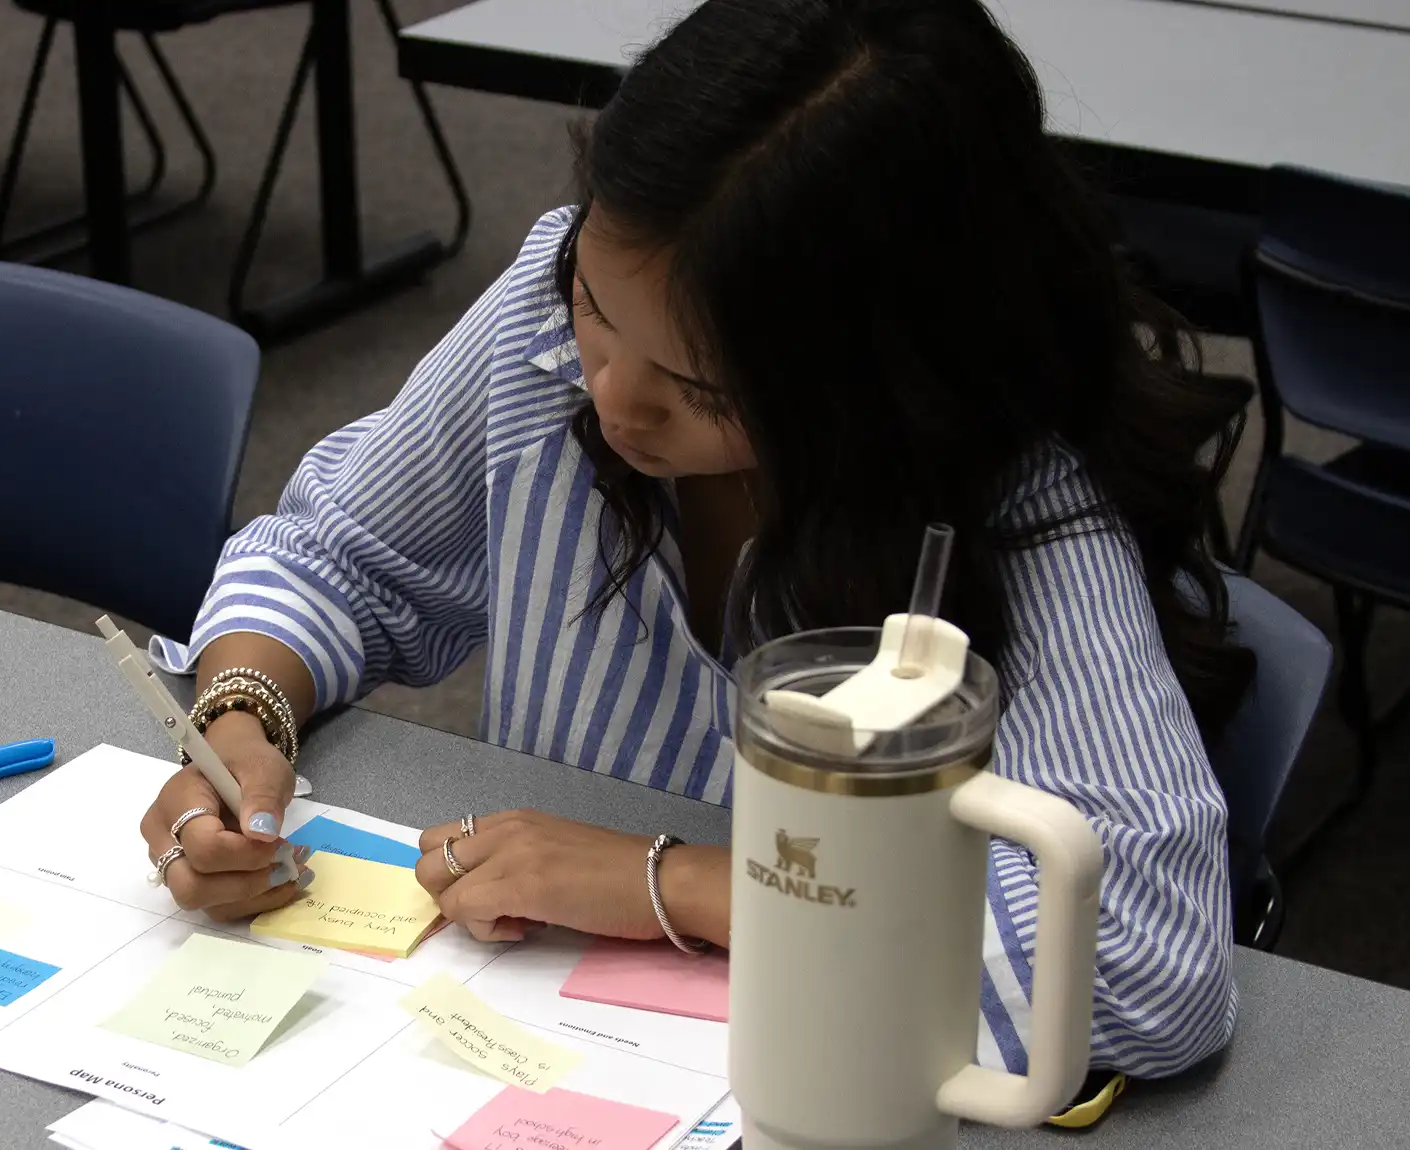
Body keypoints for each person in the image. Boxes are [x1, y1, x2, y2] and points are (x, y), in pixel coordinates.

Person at [135, 0, 1254, 1080]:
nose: (612, 397)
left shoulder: (1005, 501)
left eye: (703, 386)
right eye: (597, 309)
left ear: (883, 377)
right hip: (517, 1040)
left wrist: (673, 884)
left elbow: (1145, 961)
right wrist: (243, 718)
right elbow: (337, 555)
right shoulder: (553, 305)